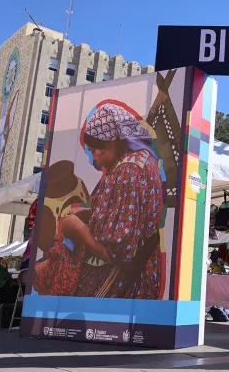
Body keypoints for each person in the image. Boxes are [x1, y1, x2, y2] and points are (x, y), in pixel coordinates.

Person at [34, 102, 166, 299]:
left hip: (119, 283)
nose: (94, 157)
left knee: (48, 276)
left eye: (96, 150)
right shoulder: (143, 160)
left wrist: (75, 227)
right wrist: (89, 213)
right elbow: (130, 215)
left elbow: (116, 253)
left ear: (112, 143)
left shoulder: (126, 172)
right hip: (140, 274)